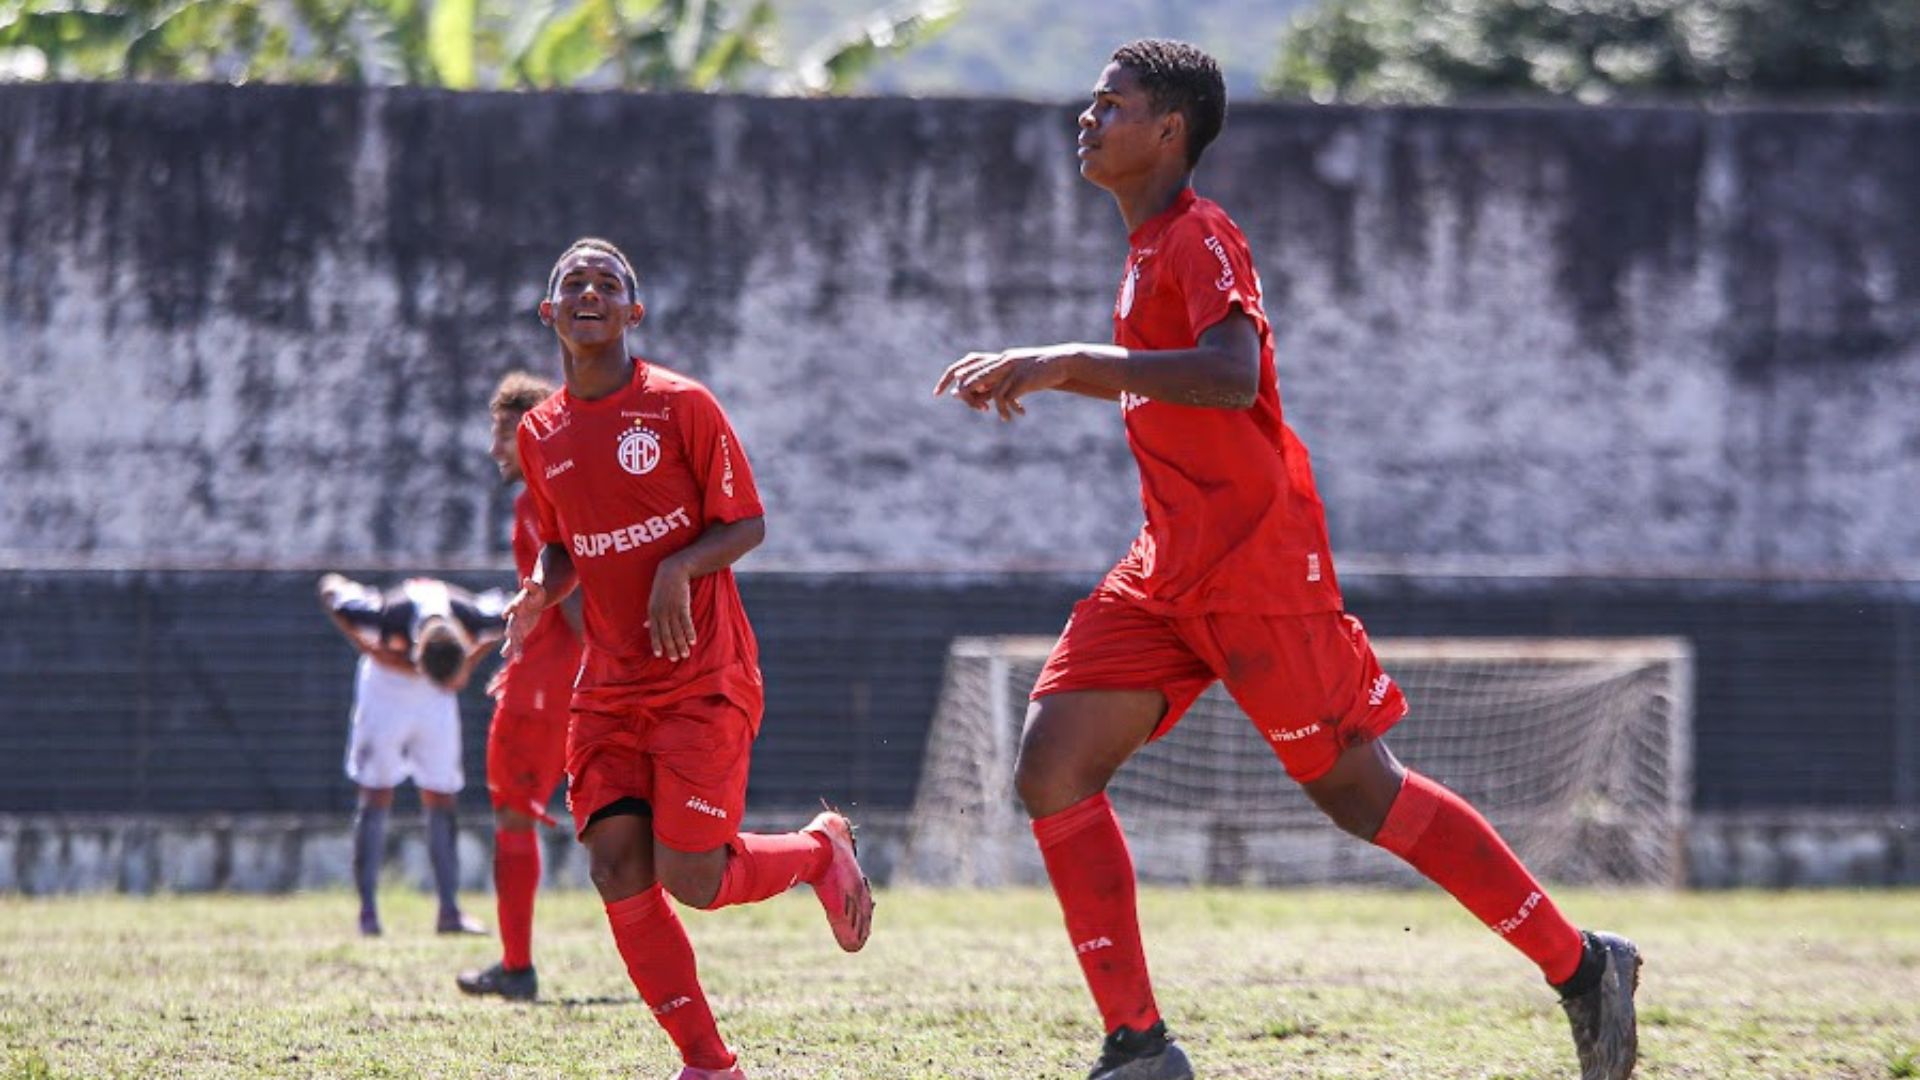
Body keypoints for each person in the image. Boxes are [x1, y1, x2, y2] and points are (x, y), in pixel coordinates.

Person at [933, 39, 1640, 1080]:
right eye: (1091, 103)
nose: (1088, 119)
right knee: (1051, 764)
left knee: (1360, 797)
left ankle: (1582, 967)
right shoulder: (1141, 252)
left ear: (1169, 130)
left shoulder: (1202, 234)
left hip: (1261, 570)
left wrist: (1064, 362)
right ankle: (1138, 1047)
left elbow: (1230, 373)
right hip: (1166, 569)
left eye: (1111, 104)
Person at [500, 237, 874, 1080]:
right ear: (548, 312)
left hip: (702, 675)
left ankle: (818, 851)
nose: (588, 291)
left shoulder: (680, 407)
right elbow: (564, 545)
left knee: (694, 879)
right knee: (614, 865)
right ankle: (710, 1064)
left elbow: (746, 523)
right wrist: (538, 587)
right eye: (572, 283)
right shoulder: (541, 433)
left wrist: (679, 566)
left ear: (634, 314)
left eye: (608, 283)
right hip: (609, 686)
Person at [455, 371, 587, 1002]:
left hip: (548, 692)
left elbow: (578, 602)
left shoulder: (541, 504)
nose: (496, 449)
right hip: (556, 681)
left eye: (505, 434)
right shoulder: (562, 499)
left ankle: (517, 967)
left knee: (512, 815)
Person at [318, 572, 505, 938]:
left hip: (435, 701)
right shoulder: (383, 615)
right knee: (375, 791)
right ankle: (368, 912)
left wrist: (468, 664)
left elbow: (516, 610)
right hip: (383, 693)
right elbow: (330, 588)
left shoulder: (475, 616)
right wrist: (373, 650)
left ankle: (449, 911)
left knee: (442, 793)